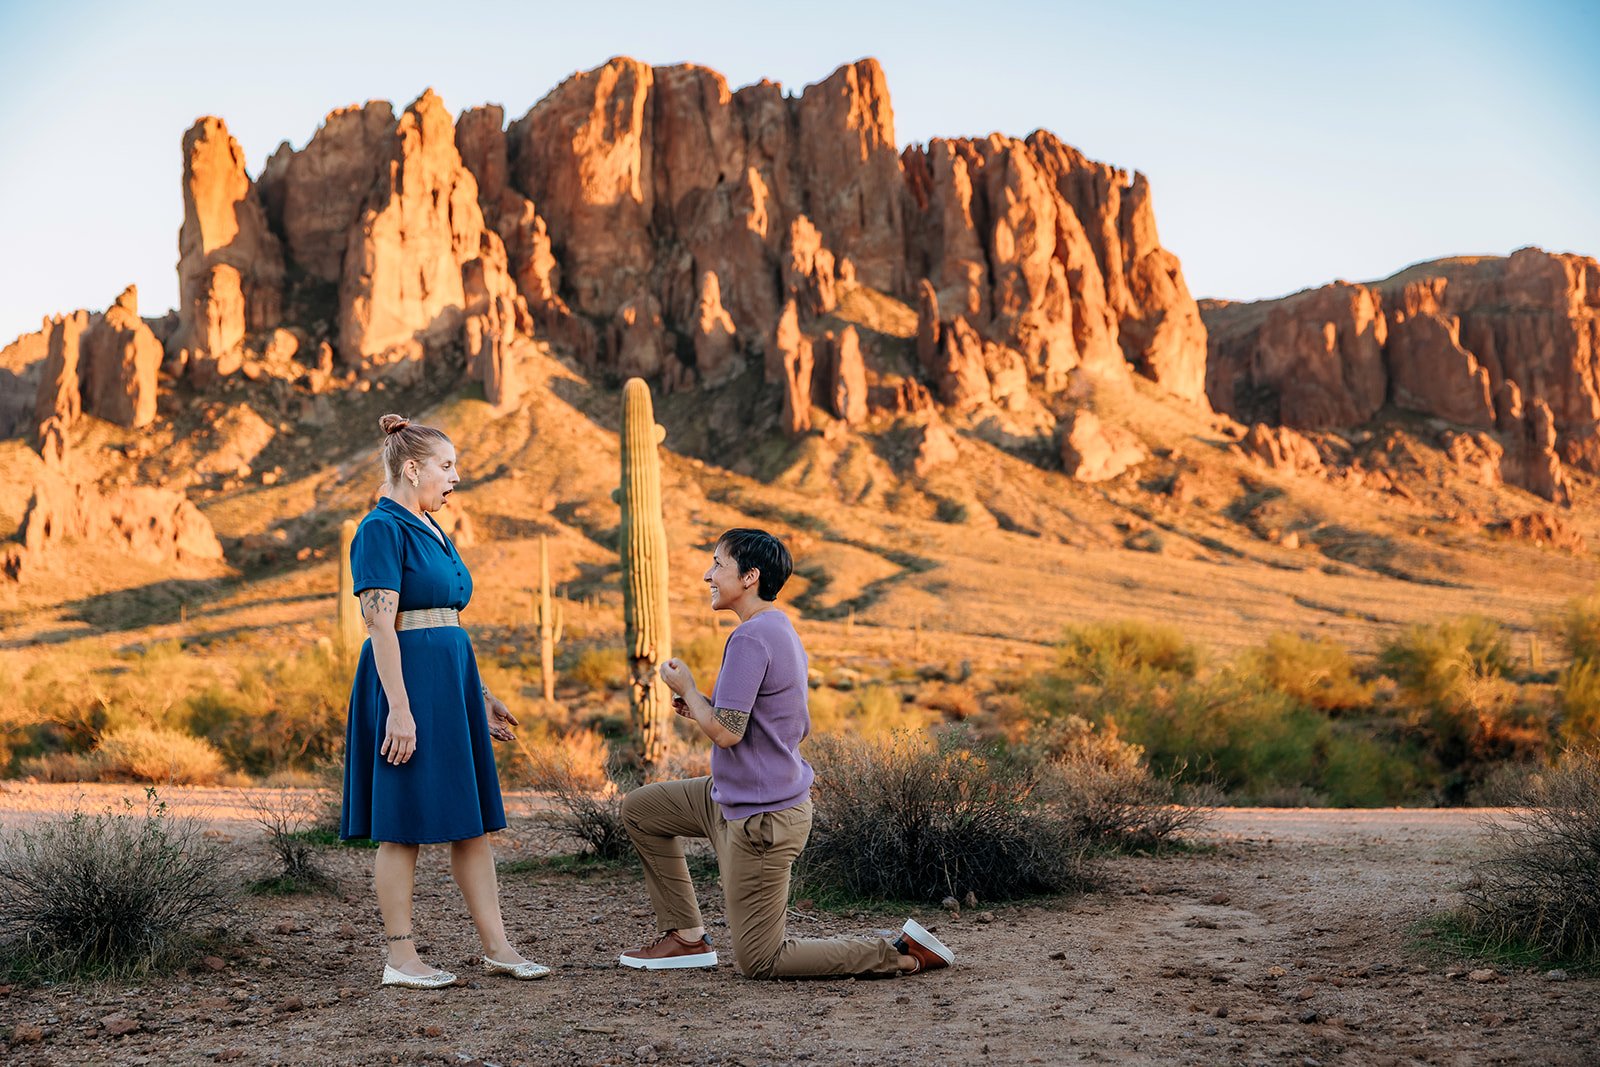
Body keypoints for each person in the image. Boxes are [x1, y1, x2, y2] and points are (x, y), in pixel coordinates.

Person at [617, 527, 954, 978]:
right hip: (729, 797)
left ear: (750, 576)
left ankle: (900, 953)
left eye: (718, 565)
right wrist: (701, 709)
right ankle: (685, 938)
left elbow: (729, 734)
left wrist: (689, 691)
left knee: (761, 961)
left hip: (763, 820)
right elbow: (760, 720)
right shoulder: (775, 627)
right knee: (642, 810)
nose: (707, 575)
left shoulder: (751, 639)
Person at [341, 413, 550, 988]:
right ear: (412, 468)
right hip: (404, 685)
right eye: (446, 466)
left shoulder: (432, 527)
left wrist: (478, 695)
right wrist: (400, 710)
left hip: (450, 681)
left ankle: (499, 948)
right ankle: (401, 958)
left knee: (471, 823)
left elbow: (444, 621)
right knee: (401, 825)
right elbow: (383, 629)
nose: (455, 477)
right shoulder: (381, 529)